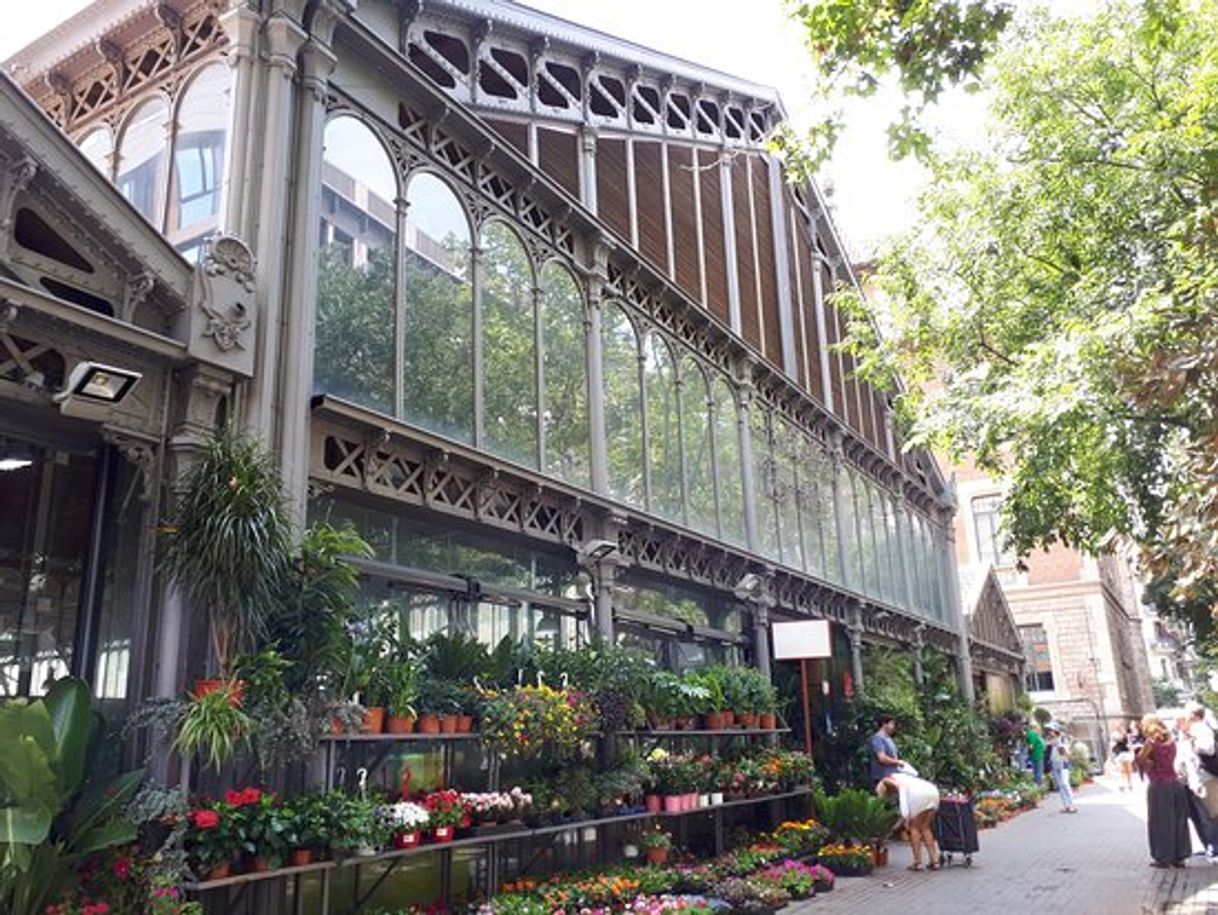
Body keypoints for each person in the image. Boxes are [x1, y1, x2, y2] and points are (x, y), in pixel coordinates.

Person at [1136, 714, 1191, 868]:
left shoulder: (1150, 743)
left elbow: (1140, 760)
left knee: (1161, 822)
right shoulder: (1171, 741)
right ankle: (1180, 857)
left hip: (1159, 785)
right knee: (1178, 820)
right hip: (1175, 783)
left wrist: (1142, 756)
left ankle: (1163, 857)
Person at [877, 766, 941, 871]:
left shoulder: (887, 780)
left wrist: (905, 815)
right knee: (925, 827)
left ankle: (918, 862)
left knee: (914, 827)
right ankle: (934, 861)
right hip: (932, 791)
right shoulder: (903, 777)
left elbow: (900, 789)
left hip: (919, 795)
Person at [1173, 714, 1218, 859]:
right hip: (1190, 782)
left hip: (1204, 780)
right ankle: (1208, 845)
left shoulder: (1200, 732)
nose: (1177, 726)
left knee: (1209, 816)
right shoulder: (1182, 738)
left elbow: (1208, 749)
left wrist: (1193, 744)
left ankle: (1214, 848)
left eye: (1180, 723)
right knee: (1198, 817)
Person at [1045, 723, 1078, 813]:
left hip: (1063, 763)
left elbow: (1065, 752)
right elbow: (1047, 749)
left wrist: (1059, 746)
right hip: (1055, 764)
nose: (1050, 732)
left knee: (1065, 784)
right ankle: (1066, 806)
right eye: (1049, 730)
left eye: (1051, 730)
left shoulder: (1062, 739)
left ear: (1056, 730)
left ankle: (1072, 805)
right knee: (1060, 786)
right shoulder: (1051, 740)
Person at [870, 715, 902, 787]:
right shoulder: (878, 738)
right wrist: (898, 762)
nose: (893, 726)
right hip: (883, 778)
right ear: (884, 724)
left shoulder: (889, 739)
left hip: (892, 776)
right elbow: (882, 758)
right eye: (892, 724)